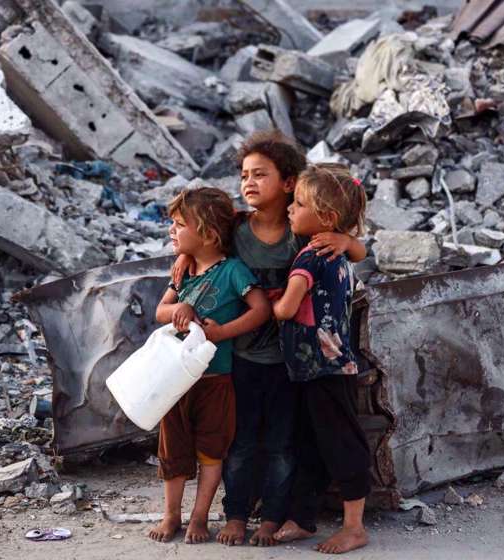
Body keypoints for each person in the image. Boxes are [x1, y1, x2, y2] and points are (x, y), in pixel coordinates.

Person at [175, 130, 367, 547]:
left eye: (260, 174)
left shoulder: (305, 231)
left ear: (288, 184)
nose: (248, 182)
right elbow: (202, 242)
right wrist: (186, 256)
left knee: (287, 443)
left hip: (291, 363)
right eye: (244, 174)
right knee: (240, 440)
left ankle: (277, 516)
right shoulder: (236, 230)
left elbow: (356, 252)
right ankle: (239, 513)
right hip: (242, 356)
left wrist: (348, 241)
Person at [149, 187, 271, 544]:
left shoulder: (232, 271)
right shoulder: (183, 271)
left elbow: (261, 309)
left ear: (208, 234)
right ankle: (171, 514)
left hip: (216, 379)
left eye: (179, 224)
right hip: (176, 381)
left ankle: (199, 517)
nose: (172, 230)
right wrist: (180, 310)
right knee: (172, 452)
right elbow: (161, 312)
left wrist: (222, 333)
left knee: (211, 451)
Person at [272, 163, 371, 554]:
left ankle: (354, 527)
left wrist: (269, 300)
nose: (290, 210)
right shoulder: (337, 253)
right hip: (318, 367)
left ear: (326, 219)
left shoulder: (310, 259)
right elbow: (359, 248)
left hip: (322, 367)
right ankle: (302, 518)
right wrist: (346, 239)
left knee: (341, 444)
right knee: (312, 442)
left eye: (298, 204)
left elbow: (286, 309)